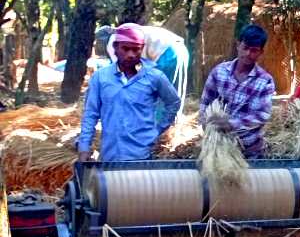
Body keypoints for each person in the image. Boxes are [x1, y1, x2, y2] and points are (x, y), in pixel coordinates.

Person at [77, 24, 181, 161]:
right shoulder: (101, 78)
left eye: (136, 50)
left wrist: (156, 130)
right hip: (110, 156)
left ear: (142, 49)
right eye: (125, 49)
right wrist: (84, 147)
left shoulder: (155, 77)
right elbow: (90, 113)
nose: (131, 55)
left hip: (141, 156)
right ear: (115, 48)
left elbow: (173, 102)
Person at [199, 24, 276, 158]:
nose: (248, 54)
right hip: (217, 148)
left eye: (254, 50)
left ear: (261, 52)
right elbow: (206, 102)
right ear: (238, 45)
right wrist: (207, 125)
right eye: (245, 48)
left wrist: (231, 124)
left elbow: (262, 115)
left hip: (249, 150)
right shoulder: (219, 72)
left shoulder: (265, 81)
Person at [96, 23, 190, 110]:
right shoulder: (125, 33)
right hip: (180, 49)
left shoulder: (114, 43)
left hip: (166, 53)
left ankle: (158, 123)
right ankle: (171, 122)